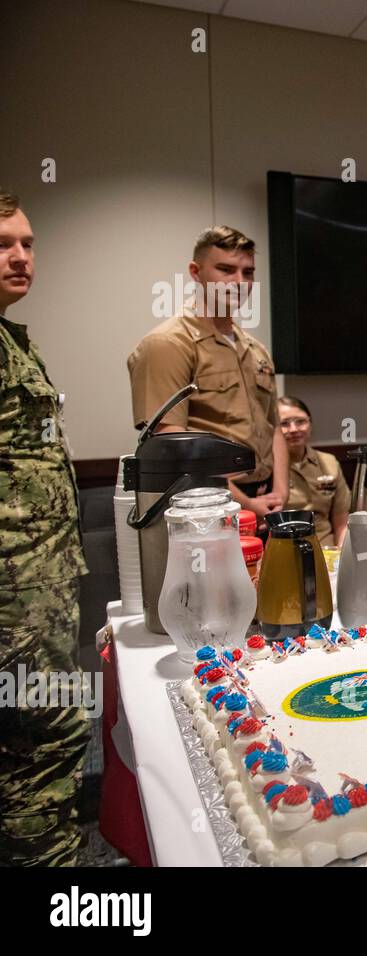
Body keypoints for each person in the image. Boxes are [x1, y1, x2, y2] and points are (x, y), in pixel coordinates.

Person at [0, 189, 90, 865]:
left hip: (39, 587)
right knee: (48, 736)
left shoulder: (10, 337)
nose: (21, 257)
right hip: (14, 600)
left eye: (28, 243)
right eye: (4, 244)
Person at [127, 226, 287, 525]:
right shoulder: (169, 344)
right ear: (196, 272)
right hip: (205, 503)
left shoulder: (255, 349)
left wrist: (280, 492)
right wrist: (247, 503)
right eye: (226, 269)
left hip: (266, 502)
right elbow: (172, 442)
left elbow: (274, 426)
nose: (239, 282)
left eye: (248, 272)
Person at [278, 396, 350, 547]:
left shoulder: (329, 462)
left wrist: (341, 556)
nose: (294, 429)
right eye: (284, 424)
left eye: (300, 421)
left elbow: (341, 518)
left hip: (325, 548)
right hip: (284, 549)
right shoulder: (267, 469)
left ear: (310, 424)